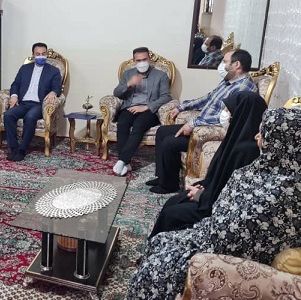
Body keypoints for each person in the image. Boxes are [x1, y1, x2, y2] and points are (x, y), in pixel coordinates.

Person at [120, 107, 301, 300]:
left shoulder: (283, 192)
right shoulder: (266, 169)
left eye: (264, 133)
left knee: (155, 268)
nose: (257, 136)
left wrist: (203, 225)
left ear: (283, 142)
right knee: (160, 241)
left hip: (226, 257)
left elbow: (236, 235)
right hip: (212, 233)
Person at [148, 91, 267, 238]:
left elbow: (231, 196)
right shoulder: (234, 139)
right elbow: (219, 177)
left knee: (171, 214)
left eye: (229, 111)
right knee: (174, 201)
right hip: (210, 196)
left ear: (242, 114)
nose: (226, 114)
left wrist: (201, 195)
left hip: (218, 209)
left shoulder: (247, 151)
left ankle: (159, 247)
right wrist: (204, 186)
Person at [146, 49, 257, 194]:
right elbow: (208, 97)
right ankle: (162, 177)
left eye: (225, 62)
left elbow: (225, 118)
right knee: (162, 131)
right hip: (200, 123)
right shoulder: (229, 81)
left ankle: (168, 185)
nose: (221, 65)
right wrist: (182, 107)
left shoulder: (243, 88)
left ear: (236, 65)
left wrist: (192, 124)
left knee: (169, 142)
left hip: (208, 131)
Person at [112, 47, 172, 176]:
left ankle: (122, 160)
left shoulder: (160, 75)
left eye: (144, 59)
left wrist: (147, 107)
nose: (142, 63)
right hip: (130, 107)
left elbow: (166, 96)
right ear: (134, 61)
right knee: (122, 123)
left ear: (149, 59)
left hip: (149, 110)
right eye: (138, 60)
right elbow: (116, 93)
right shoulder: (128, 73)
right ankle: (126, 163)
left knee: (138, 125)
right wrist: (129, 84)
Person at [4, 42, 62, 161]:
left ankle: (22, 149)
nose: (41, 56)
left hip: (39, 105)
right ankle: (13, 148)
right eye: (38, 54)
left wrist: (53, 92)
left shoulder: (53, 70)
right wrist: (14, 96)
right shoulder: (25, 68)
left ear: (46, 54)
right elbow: (15, 84)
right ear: (33, 55)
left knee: (30, 117)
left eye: (43, 54)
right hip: (23, 103)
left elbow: (57, 87)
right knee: (8, 115)